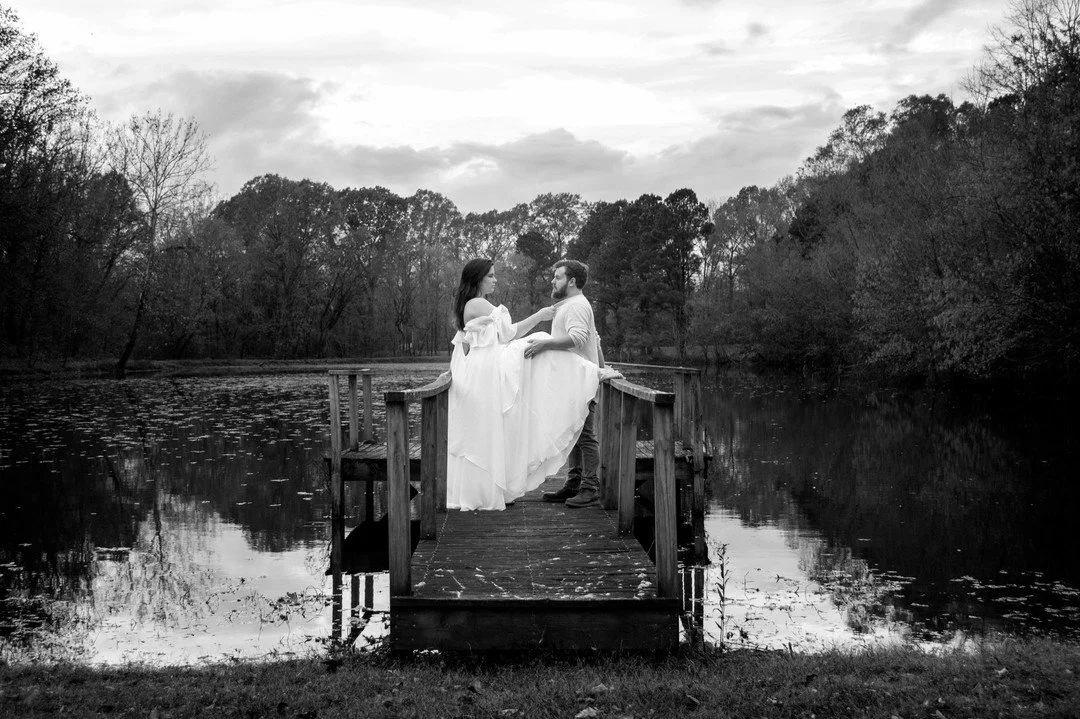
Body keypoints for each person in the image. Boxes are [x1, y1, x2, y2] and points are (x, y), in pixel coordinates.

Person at [446, 258, 600, 511]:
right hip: (486, 367)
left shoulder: (577, 305)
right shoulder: (477, 303)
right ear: (478, 279)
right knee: (536, 341)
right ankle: (573, 483)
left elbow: (585, 338)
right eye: (491, 276)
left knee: (580, 432)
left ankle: (583, 485)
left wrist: (595, 364)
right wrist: (540, 319)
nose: (495, 280)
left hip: (485, 366)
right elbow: (508, 334)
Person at [524, 259, 606, 508]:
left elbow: (579, 338)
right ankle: (573, 484)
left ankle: (590, 487)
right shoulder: (570, 305)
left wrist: (544, 343)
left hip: (581, 382)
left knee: (585, 436)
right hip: (571, 381)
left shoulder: (577, 305)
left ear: (571, 281)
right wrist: (603, 366)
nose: (552, 280)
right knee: (574, 432)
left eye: (557, 276)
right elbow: (596, 340)